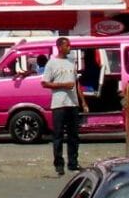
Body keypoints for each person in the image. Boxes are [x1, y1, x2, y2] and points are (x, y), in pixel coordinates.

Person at [41, 36, 87, 176]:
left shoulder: (71, 62)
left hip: (72, 103)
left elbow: (76, 83)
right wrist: (63, 85)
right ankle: (59, 164)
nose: (70, 48)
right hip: (59, 104)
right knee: (58, 135)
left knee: (74, 135)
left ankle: (73, 162)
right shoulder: (52, 63)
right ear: (60, 47)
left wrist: (83, 101)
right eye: (67, 45)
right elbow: (44, 83)